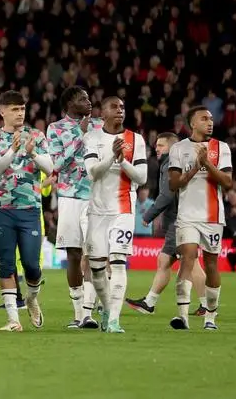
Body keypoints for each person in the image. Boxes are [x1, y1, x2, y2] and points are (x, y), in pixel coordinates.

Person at [0, 91, 53, 332]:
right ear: (2, 111)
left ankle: (32, 298)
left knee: (32, 265)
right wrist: (13, 150)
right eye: (14, 109)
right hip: (3, 209)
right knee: (6, 264)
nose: (20, 113)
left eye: (22, 109)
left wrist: (33, 152)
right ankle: (13, 320)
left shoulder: (36, 136)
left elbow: (50, 167)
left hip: (30, 210)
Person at [82, 96, 148, 334]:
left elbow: (141, 178)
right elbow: (92, 173)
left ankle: (114, 320)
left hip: (123, 209)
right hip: (97, 211)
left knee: (118, 263)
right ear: (102, 112)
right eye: (114, 106)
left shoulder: (135, 140)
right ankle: (108, 308)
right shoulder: (92, 138)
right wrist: (112, 156)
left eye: (122, 106)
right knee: (97, 269)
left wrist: (123, 162)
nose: (120, 110)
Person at [126, 132, 207, 317]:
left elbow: (167, 194)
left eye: (161, 145)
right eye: (156, 145)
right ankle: (150, 302)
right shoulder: (181, 161)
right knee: (168, 260)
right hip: (186, 217)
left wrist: (149, 215)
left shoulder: (170, 162)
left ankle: (206, 305)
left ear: (171, 147)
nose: (156, 148)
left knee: (190, 263)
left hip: (180, 221)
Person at [166, 105, 232, 331]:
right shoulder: (178, 149)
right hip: (187, 216)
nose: (210, 122)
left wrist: (207, 164)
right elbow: (173, 184)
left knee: (211, 264)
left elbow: (227, 182)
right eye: (204, 119)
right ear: (192, 124)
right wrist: (195, 168)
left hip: (213, 216)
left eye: (211, 119)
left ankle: (210, 317)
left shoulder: (221, 148)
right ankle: (182, 316)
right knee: (188, 258)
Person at [45, 86, 102, 329]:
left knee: (94, 255)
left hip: (97, 198)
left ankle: (90, 312)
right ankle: (79, 314)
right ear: (69, 103)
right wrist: (79, 135)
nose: (88, 102)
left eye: (89, 98)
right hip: (69, 197)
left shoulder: (101, 125)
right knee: (74, 255)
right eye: (82, 99)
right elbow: (56, 164)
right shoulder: (55, 128)